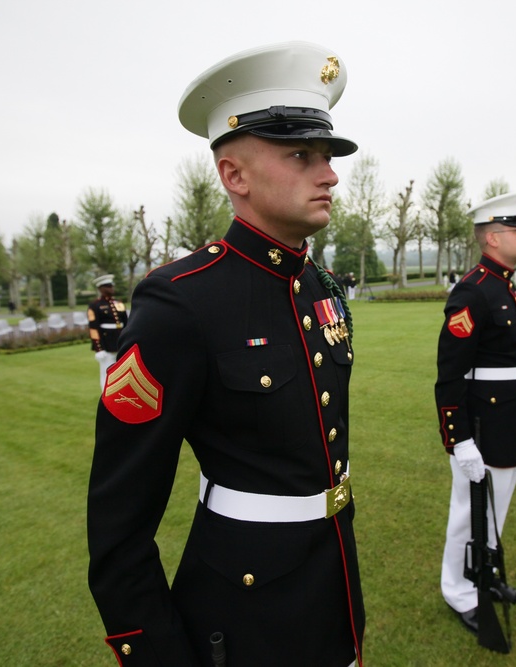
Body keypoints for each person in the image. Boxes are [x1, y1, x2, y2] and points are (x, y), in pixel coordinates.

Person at [87, 42, 364, 667]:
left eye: (327, 156)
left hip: (332, 582)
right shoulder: (180, 304)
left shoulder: (319, 285)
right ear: (234, 175)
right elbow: (118, 524)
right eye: (301, 155)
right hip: (246, 613)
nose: (329, 174)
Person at [434, 190, 516, 635]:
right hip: (483, 422)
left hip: (508, 415)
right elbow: (450, 373)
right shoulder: (473, 291)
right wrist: (459, 439)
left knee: (496, 509)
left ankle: (485, 575)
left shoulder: (503, 284)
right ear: (493, 237)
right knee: (468, 513)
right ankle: (458, 590)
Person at [87, 274, 128, 391]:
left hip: (120, 341)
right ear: (101, 289)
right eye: (108, 286)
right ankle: (106, 396)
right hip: (107, 343)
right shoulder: (95, 305)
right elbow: (94, 328)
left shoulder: (118, 303)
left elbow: (126, 323)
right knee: (107, 372)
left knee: (123, 372)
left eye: (112, 286)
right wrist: (98, 348)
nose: (112, 288)